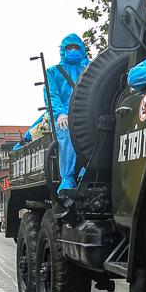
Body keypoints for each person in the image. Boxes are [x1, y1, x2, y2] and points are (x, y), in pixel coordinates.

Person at [46, 33, 90, 195]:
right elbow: (52, 95)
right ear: (63, 51)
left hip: (86, 111)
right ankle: (67, 178)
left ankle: (89, 170)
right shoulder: (53, 72)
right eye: (69, 48)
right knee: (64, 131)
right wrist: (59, 114)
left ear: (82, 49)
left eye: (76, 47)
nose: (72, 50)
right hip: (63, 114)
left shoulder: (90, 68)